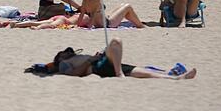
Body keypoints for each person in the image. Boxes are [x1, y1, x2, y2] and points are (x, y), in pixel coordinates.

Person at [51, 38, 196, 79]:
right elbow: (74, 74)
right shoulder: (64, 63)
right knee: (116, 41)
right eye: (64, 52)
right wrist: (90, 60)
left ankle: (172, 76)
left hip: (102, 62)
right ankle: (119, 73)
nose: (68, 52)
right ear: (59, 58)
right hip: (96, 68)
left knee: (138, 71)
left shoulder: (77, 57)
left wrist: (95, 56)